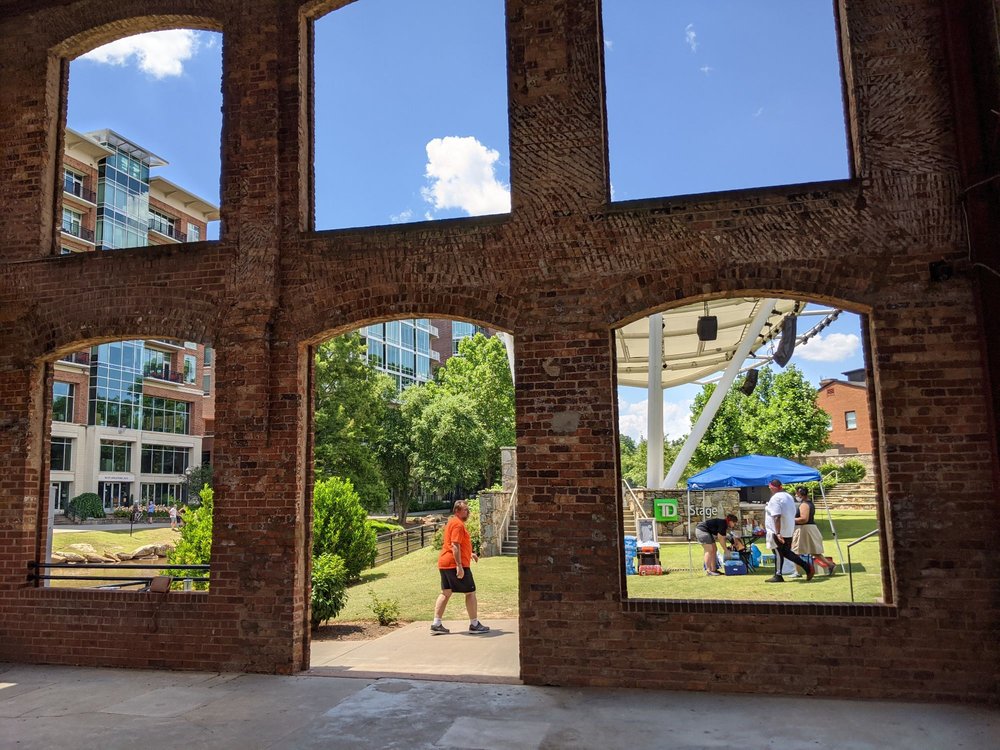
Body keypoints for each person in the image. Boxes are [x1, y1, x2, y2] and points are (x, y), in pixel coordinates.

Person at [431, 500, 489, 634]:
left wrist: (470, 554)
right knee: (470, 592)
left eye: (468, 510)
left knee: (445, 593)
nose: (467, 512)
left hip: (444, 563)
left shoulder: (452, 522)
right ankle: (474, 624)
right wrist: (459, 566)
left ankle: (436, 624)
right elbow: (455, 545)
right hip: (454, 564)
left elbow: (458, 545)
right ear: (457, 511)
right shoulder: (457, 524)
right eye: (465, 510)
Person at [764, 479, 813, 583]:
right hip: (788, 529)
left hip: (777, 530)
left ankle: (778, 575)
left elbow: (776, 516)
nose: (770, 489)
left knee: (777, 551)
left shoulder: (775, 498)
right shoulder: (789, 497)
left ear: (773, 487)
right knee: (785, 552)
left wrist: (777, 533)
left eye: (770, 487)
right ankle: (807, 567)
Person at [792, 487, 834, 573]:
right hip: (808, 529)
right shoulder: (809, 503)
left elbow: (804, 519)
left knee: (796, 551)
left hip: (804, 529)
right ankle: (830, 565)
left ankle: (797, 571)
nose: (796, 495)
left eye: (797, 494)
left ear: (801, 494)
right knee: (814, 551)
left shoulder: (804, 505)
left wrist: (791, 519)